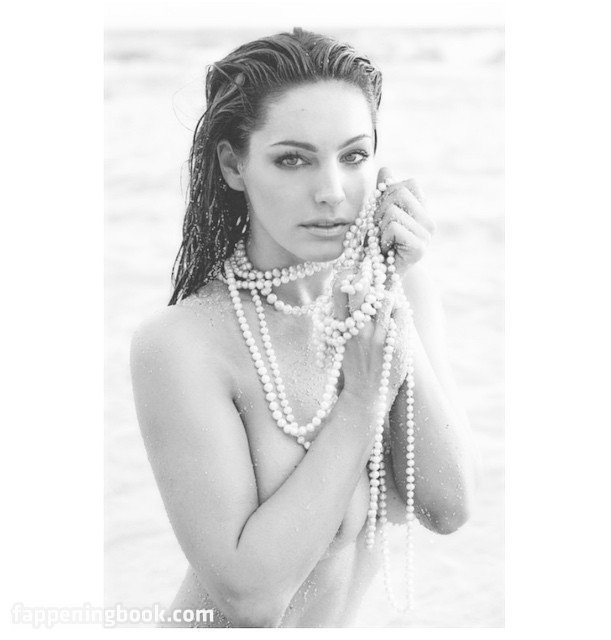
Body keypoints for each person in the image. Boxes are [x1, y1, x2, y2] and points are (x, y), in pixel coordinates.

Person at [130, 27, 479, 628]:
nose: (331, 191)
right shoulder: (183, 343)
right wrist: (362, 400)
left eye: (354, 156)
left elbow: (448, 507)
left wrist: (388, 290)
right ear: (233, 165)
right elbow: (251, 600)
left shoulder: (398, 295)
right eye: (292, 159)